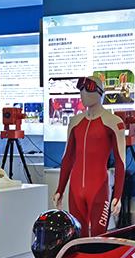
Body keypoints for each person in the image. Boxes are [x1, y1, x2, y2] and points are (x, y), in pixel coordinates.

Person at [54, 76, 126, 237]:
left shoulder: (114, 122)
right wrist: (60, 189)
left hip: (98, 188)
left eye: (88, 90)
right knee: (78, 236)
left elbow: (120, 161)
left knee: (98, 237)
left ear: (100, 93)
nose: (83, 94)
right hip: (75, 189)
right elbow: (67, 157)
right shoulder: (75, 121)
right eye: (81, 90)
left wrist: (118, 195)